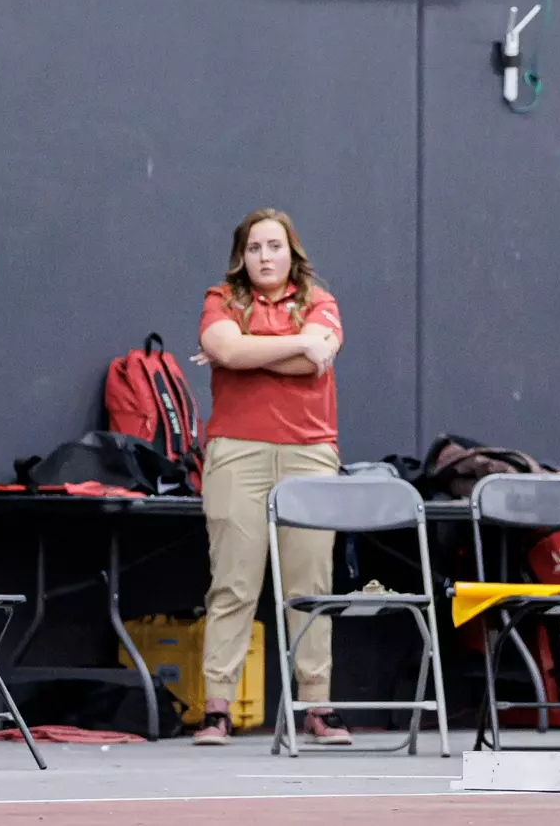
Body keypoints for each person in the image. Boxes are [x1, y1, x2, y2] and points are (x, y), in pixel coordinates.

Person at [189, 207, 350, 747]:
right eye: (255, 247)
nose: (265, 257)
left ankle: (317, 708)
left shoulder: (319, 302)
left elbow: (317, 358)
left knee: (310, 586)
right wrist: (291, 344)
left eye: (274, 246)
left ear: (291, 252)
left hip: (309, 454)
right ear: (242, 255)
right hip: (237, 454)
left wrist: (247, 353)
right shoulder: (221, 300)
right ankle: (217, 711)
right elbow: (224, 347)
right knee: (233, 583)